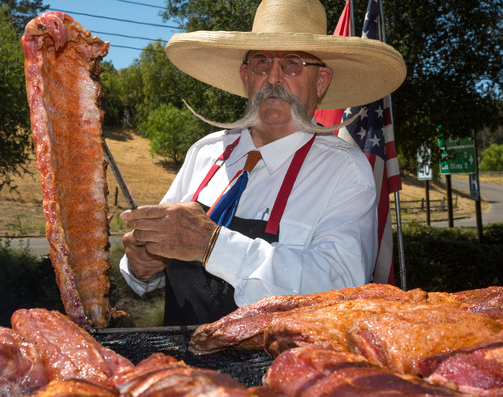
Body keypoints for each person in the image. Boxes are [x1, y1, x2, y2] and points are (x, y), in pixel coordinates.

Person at [119, 0, 406, 325]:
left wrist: (211, 244)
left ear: (322, 82)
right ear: (245, 76)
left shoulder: (345, 171)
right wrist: (142, 264)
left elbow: (338, 286)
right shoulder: (203, 154)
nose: (273, 78)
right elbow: (152, 263)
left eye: (293, 64)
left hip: (282, 372)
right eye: (261, 62)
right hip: (185, 370)